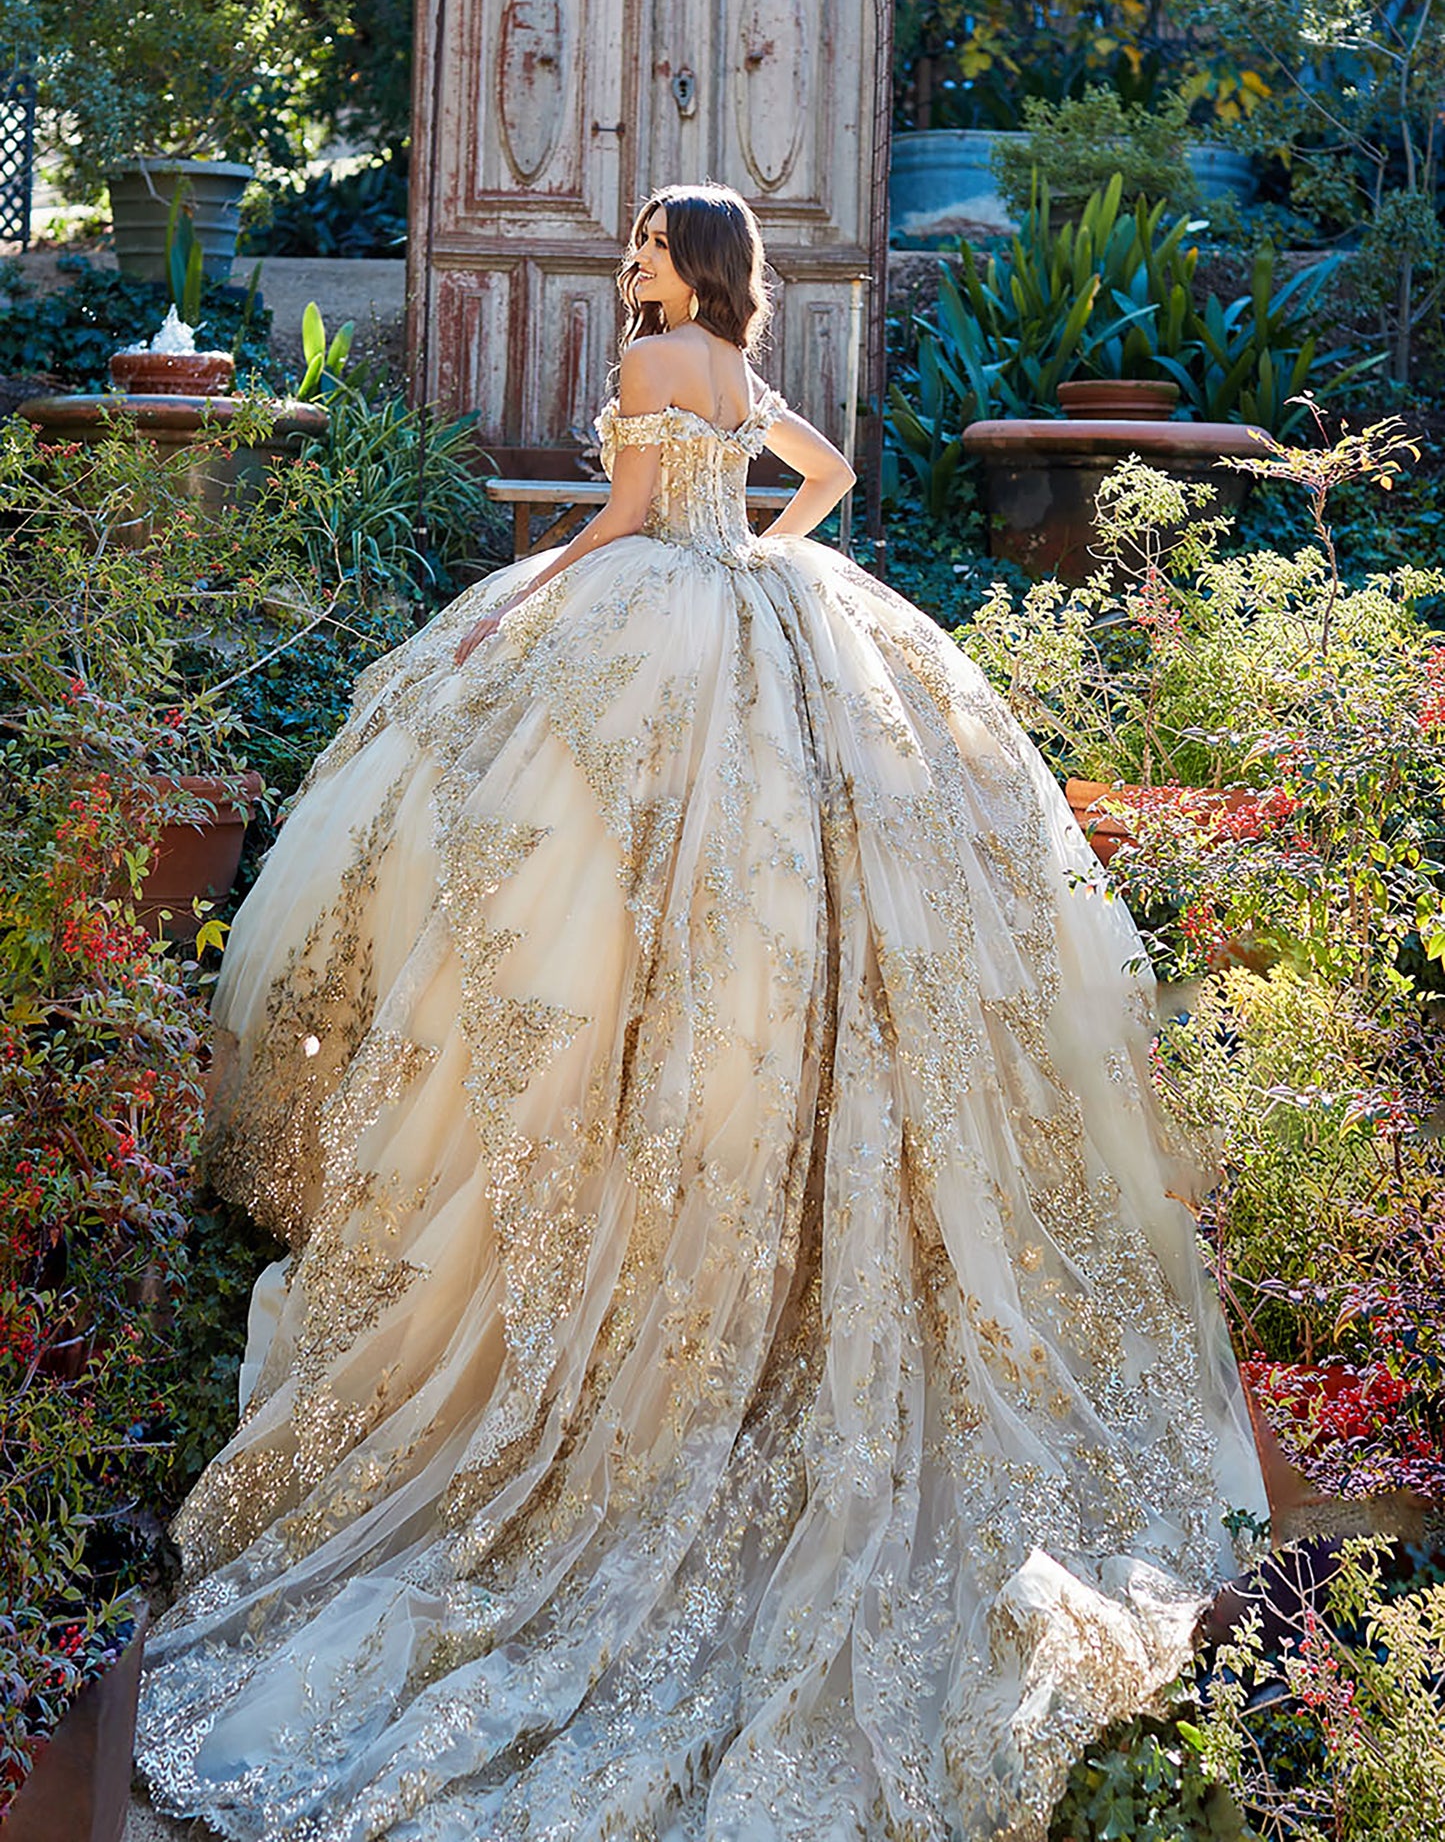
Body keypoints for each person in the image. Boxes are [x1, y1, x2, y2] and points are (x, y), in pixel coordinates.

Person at [135, 181, 1265, 1842]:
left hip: (657, 611)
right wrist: (765, 562)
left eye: (651, 245)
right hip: (763, 610)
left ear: (691, 267)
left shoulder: (665, 361)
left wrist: (528, 598)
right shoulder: (746, 364)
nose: (632, 264)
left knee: (571, 872)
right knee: (760, 913)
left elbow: (608, 528)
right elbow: (827, 480)